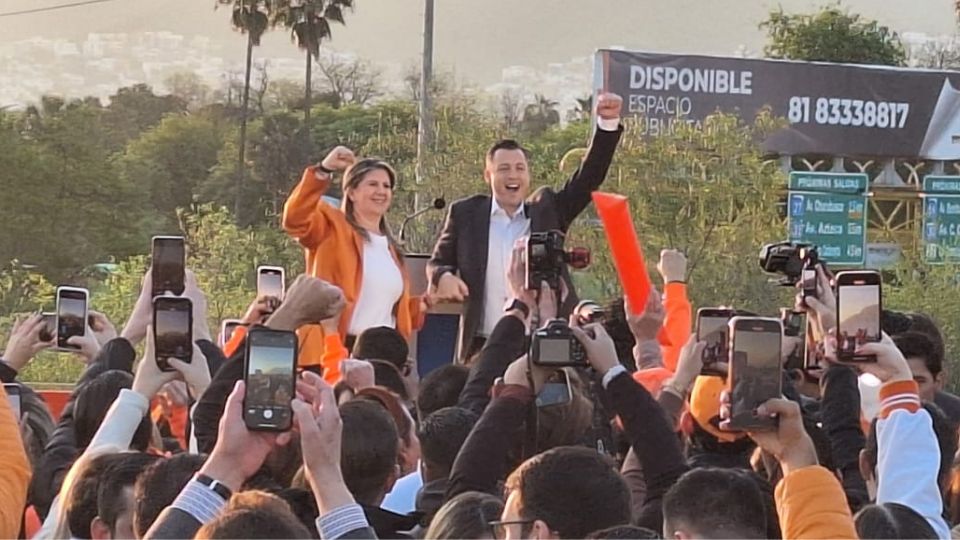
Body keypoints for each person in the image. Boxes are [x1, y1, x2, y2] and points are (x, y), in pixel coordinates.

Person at [427, 92, 623, 360]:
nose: (513, 175)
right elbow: (438, 262)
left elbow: (588, 177)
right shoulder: (466, 214)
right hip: (484, 343)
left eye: (520, 168)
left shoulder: (547, 210)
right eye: (504, 169)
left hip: (541, 341)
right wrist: (443, 276)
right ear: (488, 175)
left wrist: (607, 125)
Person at [282, 148, 424, 370]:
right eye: (373, 184)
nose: (381, 191)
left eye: (387, 186)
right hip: (332, 351)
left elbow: (387, 308)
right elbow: (294, 219)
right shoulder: (331, 226)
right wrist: (323, 170)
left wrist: (426, 303)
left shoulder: (392, 249)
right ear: (352, 192)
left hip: (381, 357)